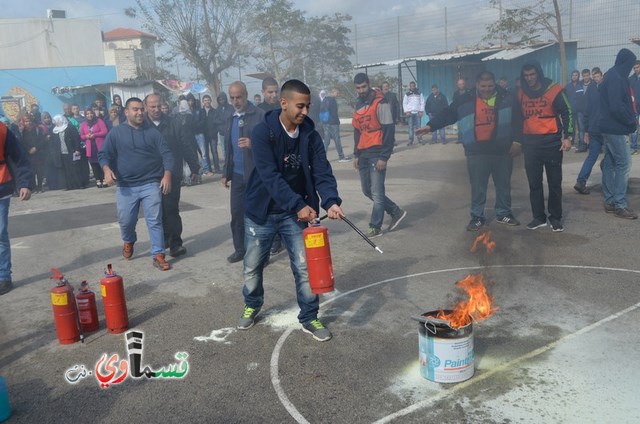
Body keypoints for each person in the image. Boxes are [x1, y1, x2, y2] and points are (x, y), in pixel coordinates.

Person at [237, 79, 345, 342]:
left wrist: (330, 200)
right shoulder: (263, 132)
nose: (305, 112)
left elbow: (322, 170)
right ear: (283, 103)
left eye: (308, 106)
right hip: (261, 211)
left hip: (293, 214)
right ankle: (252, 303)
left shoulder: (310, 135)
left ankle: (309, 316)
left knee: (304, 267)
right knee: (252, 265)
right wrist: (300, 205)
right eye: (300, 106)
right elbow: (270, 176)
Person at [417, 71, 521, 231]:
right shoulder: (465, 99)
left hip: (502, 150)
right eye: (483, 86)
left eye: (490, 86)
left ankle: (503, 213)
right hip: (476, 151)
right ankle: (477, 217)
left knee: (503, 185)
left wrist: (517, 141)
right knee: (478, 186)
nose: (487, 89)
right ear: (477, 85)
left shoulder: (508, 97)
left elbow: (518, 120)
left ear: (495, 84)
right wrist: (431, 126)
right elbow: (448, 114)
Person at [98, 97, 175, 270]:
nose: (139, 112)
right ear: (126, 112)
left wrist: (167, 175)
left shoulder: (153, 132)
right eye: (135, 109)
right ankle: (129, 240)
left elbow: (167, 154)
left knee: (154, 220)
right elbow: (104, 154)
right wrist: (106, 170)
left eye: (141, 109)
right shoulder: (116, 133)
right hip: (126, 186)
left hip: (150, 183)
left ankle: (158, 254)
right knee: (126, 221)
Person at [517, 60, 573, 232]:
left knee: (554, 183)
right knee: (534, 184)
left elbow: (567, 111)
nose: (529, 78)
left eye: (532, 74)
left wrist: (568, 136)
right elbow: (516, 117)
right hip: (530, 146)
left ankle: (555, 217)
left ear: (538, 73)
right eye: (526, 75)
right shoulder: (520, 92)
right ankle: (539, 217)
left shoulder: (554, 90)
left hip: (552, 144)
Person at [352, 73, 407, 238]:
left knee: (376, 191)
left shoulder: (381, 102)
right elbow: (357, 130)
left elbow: (389, 130)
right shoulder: (358, 104)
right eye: (358, 88)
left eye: (363, 87)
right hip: (363, 153)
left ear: (368, 85)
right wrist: (356, 154)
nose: (361, 90)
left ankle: (375, 227)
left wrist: (384, 156)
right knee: (366, 190)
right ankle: (395, 211)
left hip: (377, 153)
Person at [145, 93, 200, 257]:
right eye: (152, 106)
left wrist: (194, 167)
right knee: (156, 211)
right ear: (146, 107)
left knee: (171, 209)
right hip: (150, 176)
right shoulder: (142, 126)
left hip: (172, 174)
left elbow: (186, 144)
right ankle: (162, 242)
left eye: (158, 106)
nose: (156, 109)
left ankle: (176, 243)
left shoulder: (174, 123)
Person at [222, 82, 265, 263]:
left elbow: (272, 144)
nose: (235, 101)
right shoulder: (230, 117)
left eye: (238, 97)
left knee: (258, 215)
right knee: (237, 214)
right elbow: (228, 148)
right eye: (232, 97)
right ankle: (240, 249)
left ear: (246, 95)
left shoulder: (260, 116)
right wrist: (226, 173)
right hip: (238, 176)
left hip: (256, 174)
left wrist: (253, 144)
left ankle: (261, 253)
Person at [598, 48, 638, 219]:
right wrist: (630, 120)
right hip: (615, 128)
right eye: (630, 64)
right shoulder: (616, 78)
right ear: (624, 62)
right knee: (624, 164)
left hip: (608, 127)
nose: (631, 68)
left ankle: (610, 201)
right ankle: (620, 204)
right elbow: (616, 106)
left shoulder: (613, 75)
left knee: (610, 163)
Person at [0, 122, 33, 295]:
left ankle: (3, 276)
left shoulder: (2, 129)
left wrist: (25, 183)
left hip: (1, 187)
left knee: (0, 233)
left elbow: (20, 157)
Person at [574, 68, 604, 195]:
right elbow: (587, 111)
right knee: (611, 155)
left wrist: (587, 130)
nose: (596, 78)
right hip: (602, 129)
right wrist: (586, 131)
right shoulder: (601, 89)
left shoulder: (591, 90)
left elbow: (587, 111)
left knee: (592, 156)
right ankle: (609, 183)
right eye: (594, 76)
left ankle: (581, 181)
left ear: (601, 76)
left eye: (597, 76)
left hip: (594, 128)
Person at [79, 107, 109, 188]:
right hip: (90, 147)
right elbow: (81, 136)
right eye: (87, 114)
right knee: (94, 164)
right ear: (85, 115)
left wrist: (95, 135)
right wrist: (86, 136)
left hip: (99, 146)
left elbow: (105, 131)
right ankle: (98, 180)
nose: (89, 115)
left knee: (101, 163)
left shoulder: (99, 121)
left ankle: (105, 179)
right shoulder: (83, 124)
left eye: (91, 113)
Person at [51, 115, 83, 191]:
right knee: (65, 170)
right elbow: (54, 143)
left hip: (71, 151)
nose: (54, 122)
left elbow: (76, 138)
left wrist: (77, 149)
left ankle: (79, 184)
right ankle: (69, 185)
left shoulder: (70, 127)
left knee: (75, 168)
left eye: (56, 120)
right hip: (61, 153)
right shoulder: (55, 130)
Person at [320, 88, 351, 162]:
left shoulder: (325, 99)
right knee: (337, 140)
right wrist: (337, 122)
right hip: (333, 123)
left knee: (326, 141)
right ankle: (341, 157)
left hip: (325, 122)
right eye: (337, 93)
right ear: (333, 92)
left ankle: (322, 158)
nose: (338, 94)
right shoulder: (332, 100)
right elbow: (334, 113)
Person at [19, 114, 46, 193]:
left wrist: (36, 148)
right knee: (32, 171)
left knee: (39, 171)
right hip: (29, 154)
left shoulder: (37, 129)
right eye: (26, 121)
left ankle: (40, 187)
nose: (28, 123)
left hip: (38, 153)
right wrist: (28, 150)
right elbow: (22, 143)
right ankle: (33, 187)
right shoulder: (22, 131)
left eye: (29, 121)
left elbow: (42, 140)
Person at [629, 60, 640, 155]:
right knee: (634, 129)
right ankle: (633, 147)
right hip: (635, 107)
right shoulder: (631, 79)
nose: (636, 69)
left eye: (638, 67)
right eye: (635, 68)